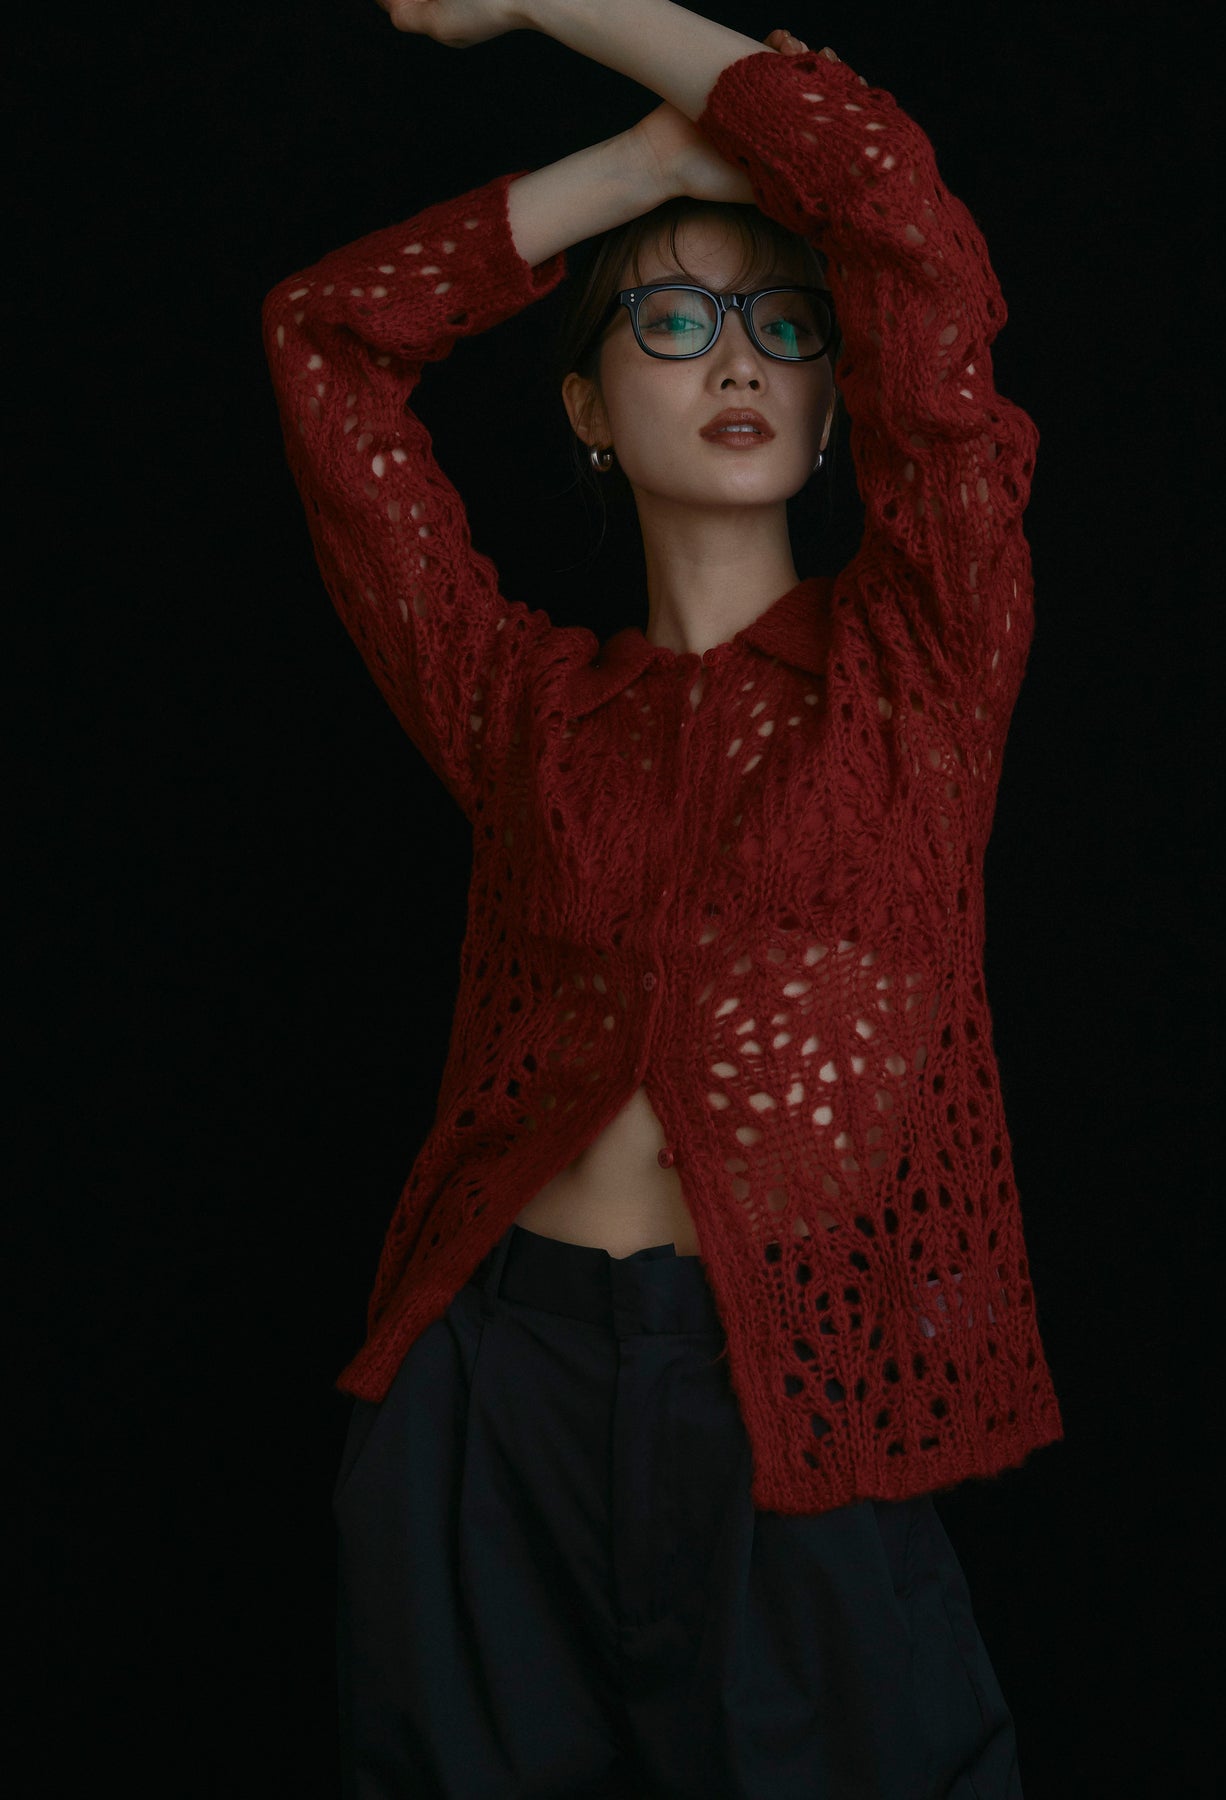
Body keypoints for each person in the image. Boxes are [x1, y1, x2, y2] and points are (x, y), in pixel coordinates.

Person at [261, 2, 1064, 1793]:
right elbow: (324, 340)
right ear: (587, 407)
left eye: (786, 324)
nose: (739, 358)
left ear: (838, 400)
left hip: (791, 1386)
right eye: (675, 320)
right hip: (493, 1371)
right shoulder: (522, 709)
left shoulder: (922, 667)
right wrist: (636, 168)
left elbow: (892, 202)